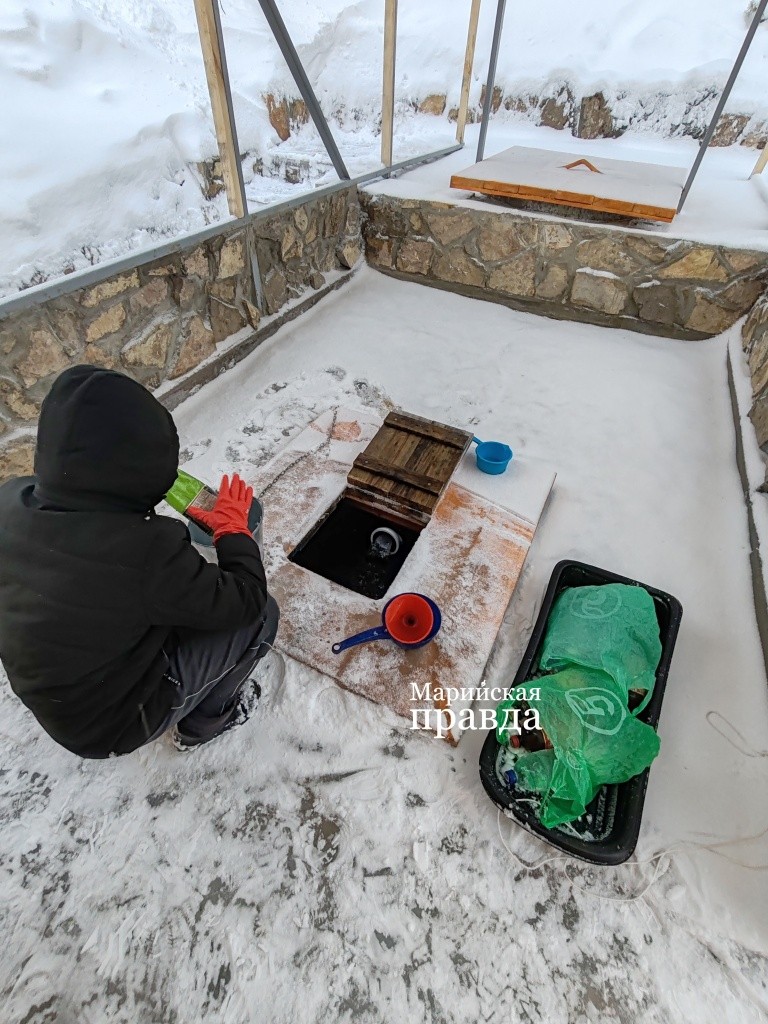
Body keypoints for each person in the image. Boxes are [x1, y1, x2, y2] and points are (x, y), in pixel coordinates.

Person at [0, 364, 279, 758]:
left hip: (59, 693)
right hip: (109, 722)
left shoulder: (11, 500)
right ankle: (204, 725)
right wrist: (233, 529)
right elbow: (245, 600)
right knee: (263, 616)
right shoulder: (143, 552)